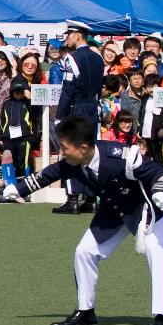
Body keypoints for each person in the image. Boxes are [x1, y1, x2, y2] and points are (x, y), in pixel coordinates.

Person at [6, 117, 163, 325]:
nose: (62, 152)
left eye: (65, 147)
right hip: (114, 210)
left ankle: (161, 320)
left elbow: (157, 172)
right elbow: (49, 174)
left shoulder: (121, 156)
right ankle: (86, 313)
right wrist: (17, 190)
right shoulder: (73, 161)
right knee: (84, 251)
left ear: (83, 148)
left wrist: (162, 192)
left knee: (158, 253)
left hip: (148, 207)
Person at [54, 22, 104, 214]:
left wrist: (60, 116)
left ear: (77, 35)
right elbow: (99, 88)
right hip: (93, 109)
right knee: (92, 154)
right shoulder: (98, 58)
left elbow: (68, 90)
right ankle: (91, 198)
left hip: (77, 110)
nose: (67, 38)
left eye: (69, 34)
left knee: (71, 153)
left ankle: (73, 198)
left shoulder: (72, 59)